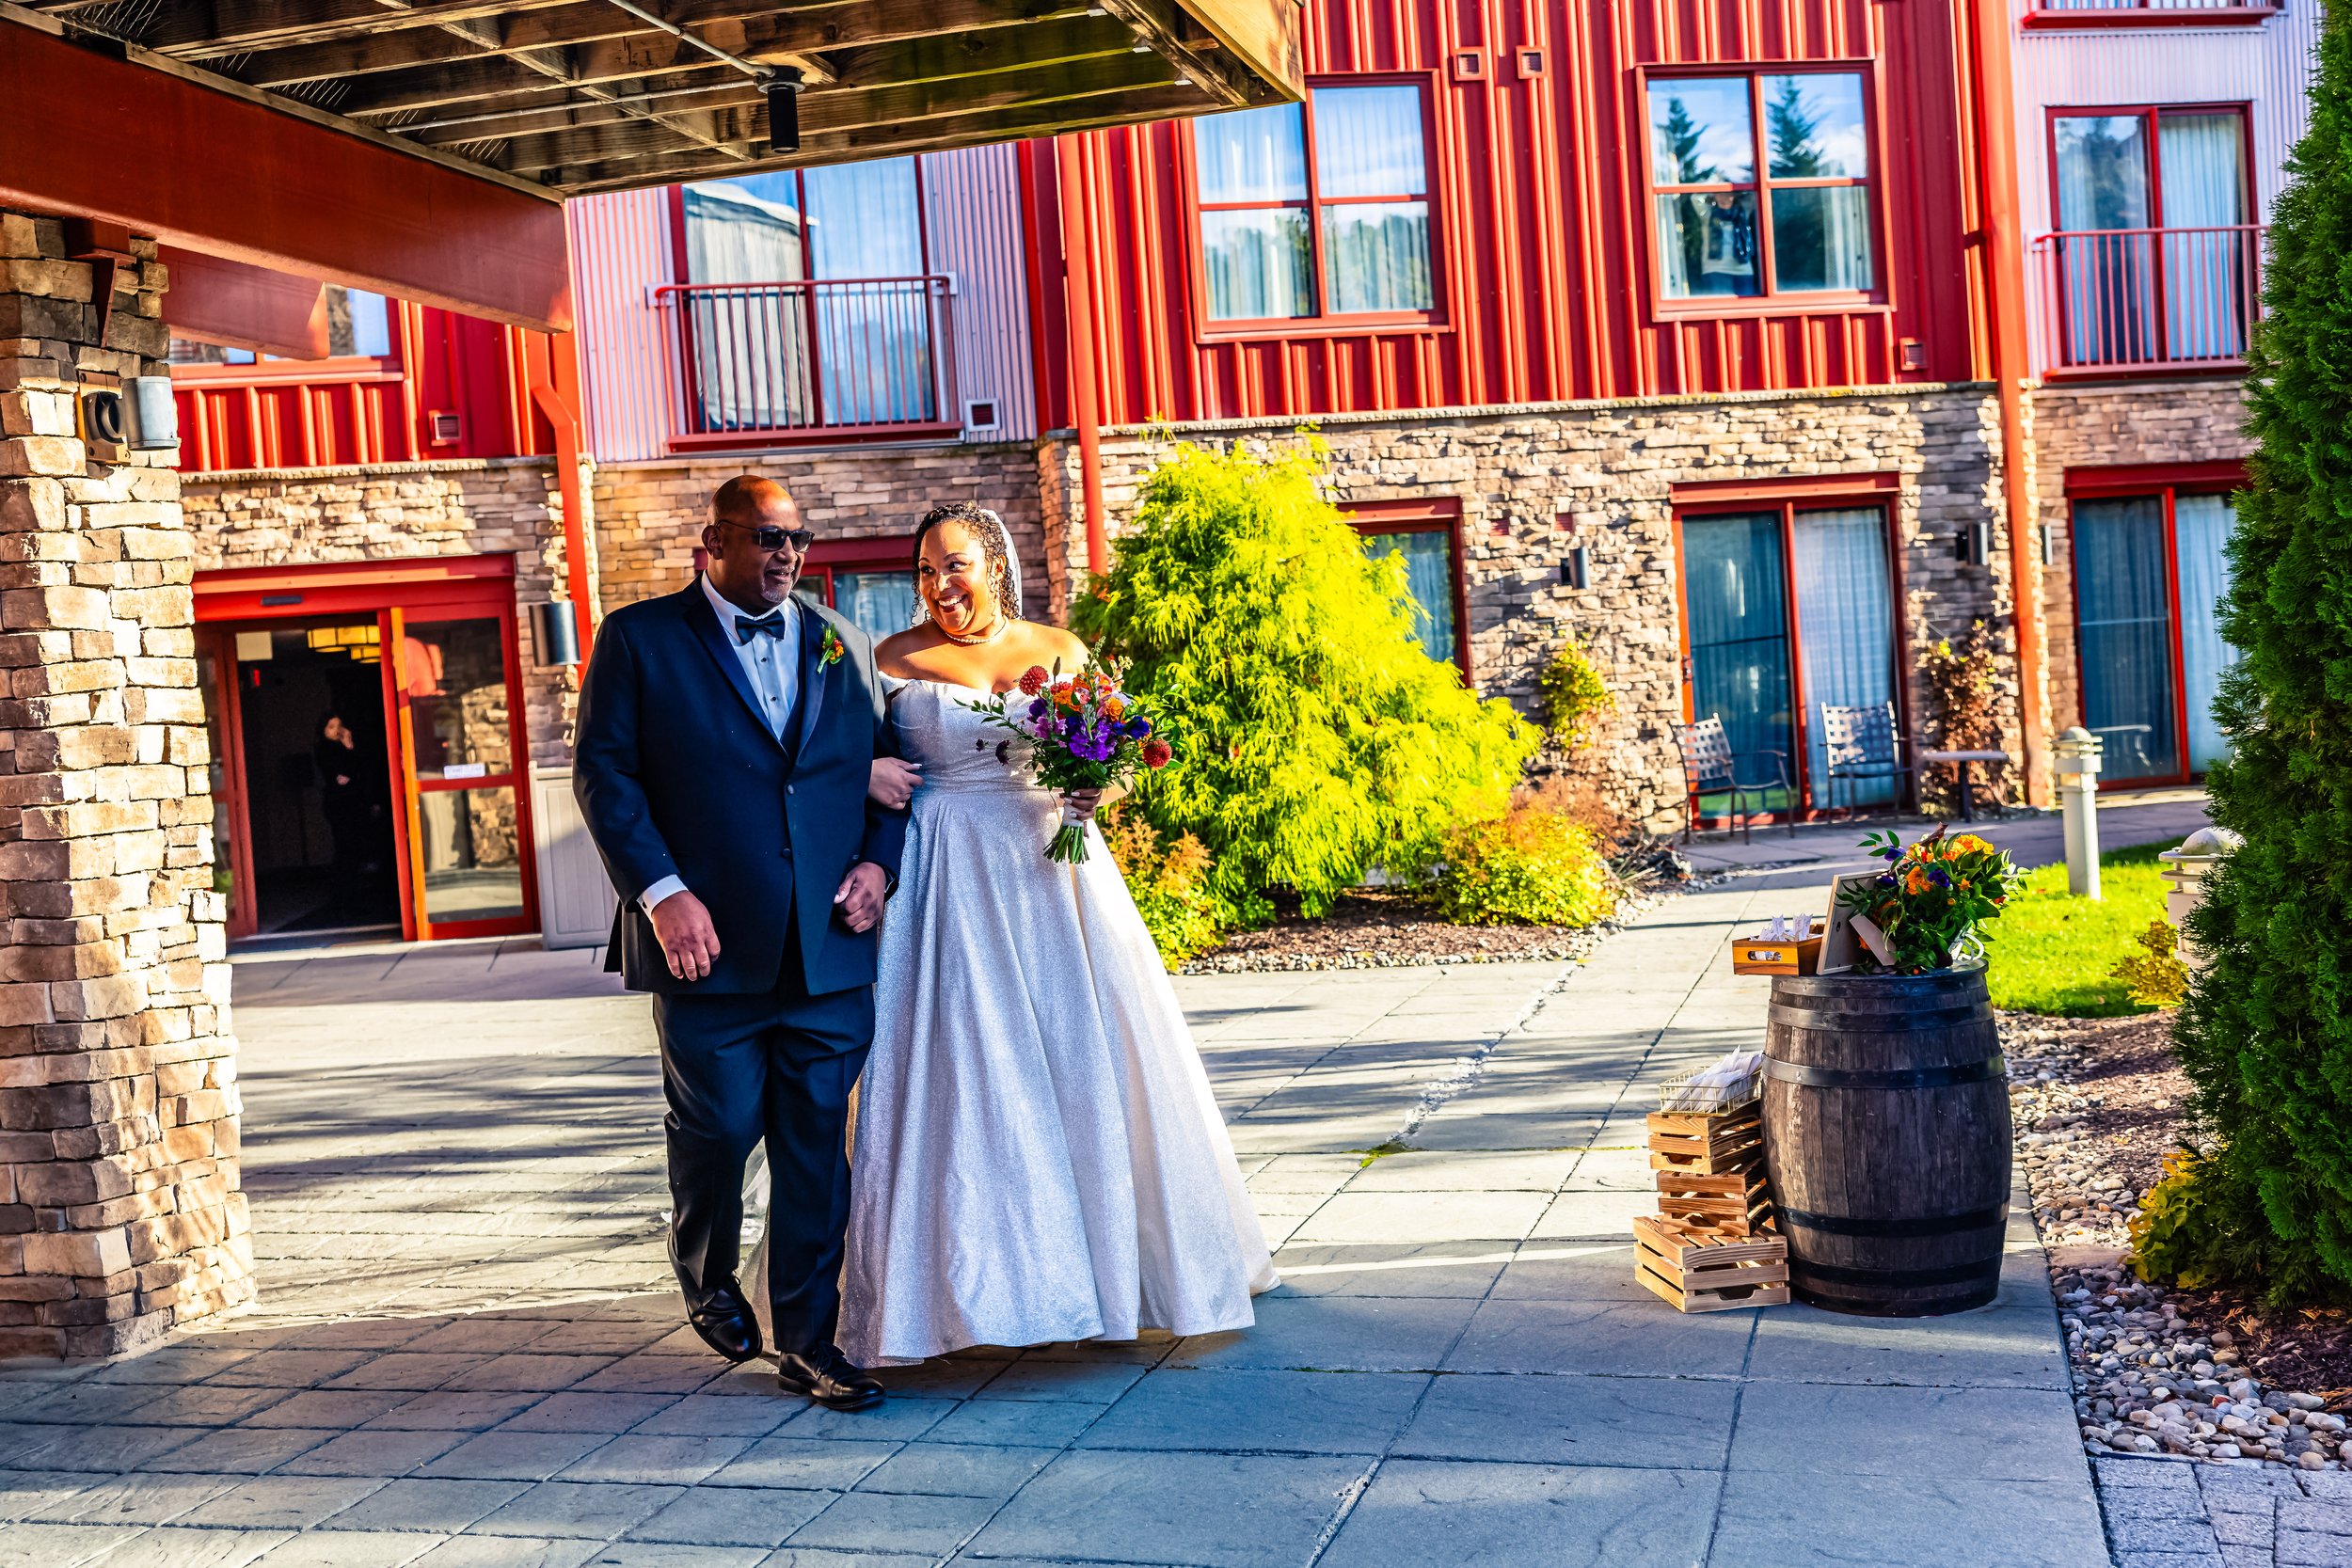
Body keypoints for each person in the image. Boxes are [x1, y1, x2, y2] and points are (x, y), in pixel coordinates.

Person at [834, 501, 1276, 1366]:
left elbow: (1115, 759)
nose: (938, 585)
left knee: (1087, 1059)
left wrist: (1095, 793)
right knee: (962, 1073)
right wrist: (868, 778)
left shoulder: (1061, 649)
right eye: (924, 570)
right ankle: (961, 1291)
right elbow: (846, 765)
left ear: (992, 562)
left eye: (953, 564)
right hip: (943, 875)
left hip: (1054, 870)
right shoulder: (888, 660)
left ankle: (1110, 1277)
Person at [573, 474, 908, 1412]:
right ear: (707, 545)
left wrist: (878, 870)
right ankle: (706, 1273)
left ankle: (810, 1343)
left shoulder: (842, 643)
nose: (786, 556)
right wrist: (661, 894)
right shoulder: (638, 639)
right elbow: (605, 777)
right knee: (720, 1126)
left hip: (827, 948)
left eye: (798, 541)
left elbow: (885, 781)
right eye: (765, 538)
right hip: (704, 944)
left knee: (812, 1146)